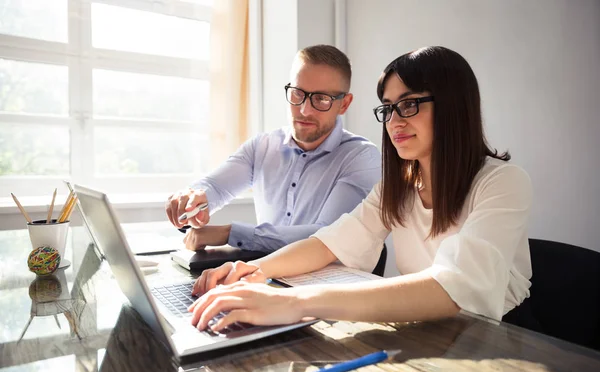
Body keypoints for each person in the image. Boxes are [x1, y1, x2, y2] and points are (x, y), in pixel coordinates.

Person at [186, 46, 533, 332]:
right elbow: (329, 243)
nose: (394, 121)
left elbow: (455, 287)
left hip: (496, 336)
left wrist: (294, 303)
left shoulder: (503, 182)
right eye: (388, 108)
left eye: (409, 104)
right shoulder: (399, 186)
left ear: (454, 106)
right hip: (426, 329)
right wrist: (255, 270)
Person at [165, 44, 380, 253]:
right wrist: (195, 199)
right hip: (264, 275)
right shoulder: (263, 146)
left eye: (321, 99)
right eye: (297, 93)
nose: (304, 110)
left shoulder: (362, 158)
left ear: (344, 104)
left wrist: (230, 233)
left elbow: (325, 235)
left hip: (328, 283)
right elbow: (215, 187)